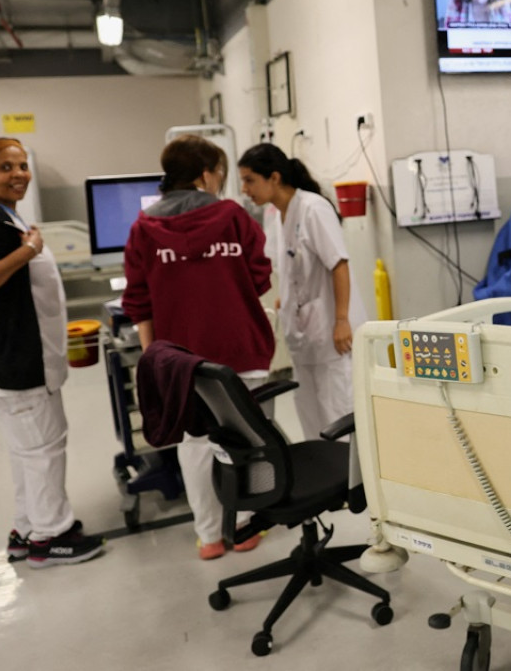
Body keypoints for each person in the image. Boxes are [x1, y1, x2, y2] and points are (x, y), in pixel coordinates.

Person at [0, 138, 105, 567]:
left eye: (22, 165)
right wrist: (28, 250)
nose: (18, 174)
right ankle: (51, 538)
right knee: (44, 448)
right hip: (12, 359)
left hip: (13, 356)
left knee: (28, 450)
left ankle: (27, 527)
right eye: (5, 167)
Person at [121, 135, 276, 560]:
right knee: (251, 437)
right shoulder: (233, 216)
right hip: (241, 347)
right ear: (207, 175)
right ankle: (246, 526)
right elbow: (260, 277)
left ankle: (209, 536)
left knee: (194, 445)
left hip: (181, 361)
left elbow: (138, 302)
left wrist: (155, 361)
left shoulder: (143, 228)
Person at [237, 144, 365, 441]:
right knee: (310, 414)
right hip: (304, 334)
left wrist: (342, 320)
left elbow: (339, 265)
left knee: (338, 411)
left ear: (274, 178)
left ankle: (350, 483)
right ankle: (325, 478)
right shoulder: (275, 214)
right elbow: (288, 265)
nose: (244, 189)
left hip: (332, 333)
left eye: (250, 180)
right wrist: (287, 298)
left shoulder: (313, 208)